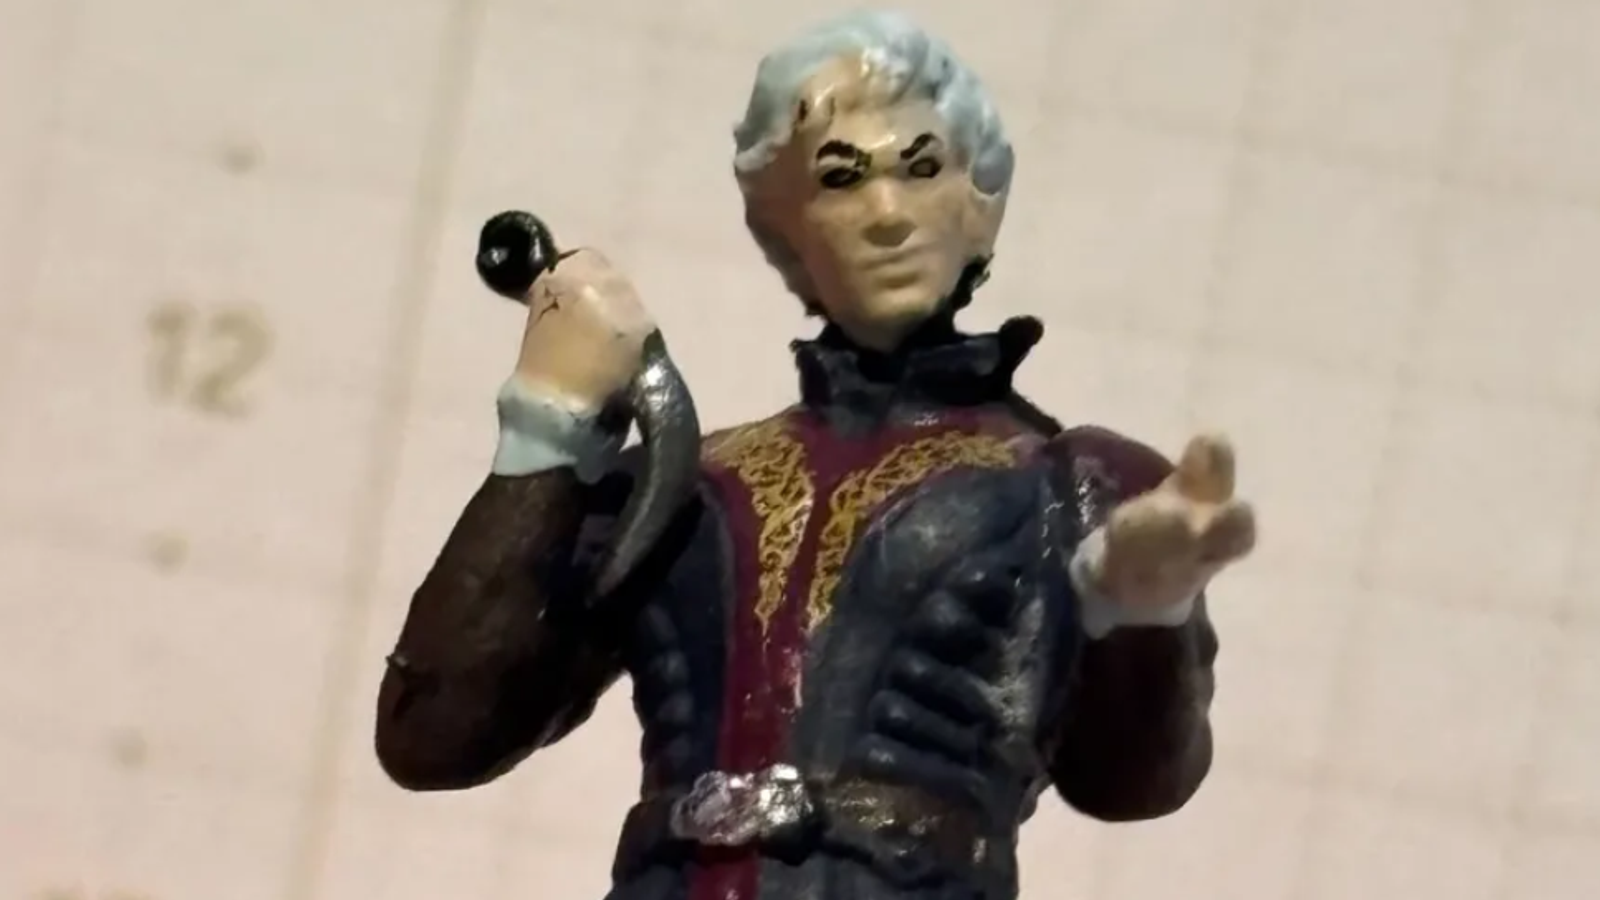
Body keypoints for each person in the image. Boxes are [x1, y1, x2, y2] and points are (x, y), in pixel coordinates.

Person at [374, 9, 1257, 900]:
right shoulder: (685, 484)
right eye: (841, 179)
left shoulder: (1072, 485)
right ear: (783, 226)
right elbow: (433, 738)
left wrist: (1145, 610)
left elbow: (1135, 784)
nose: (887, 216)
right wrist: (550, 417)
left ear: (980, 205)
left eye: (922, 169)